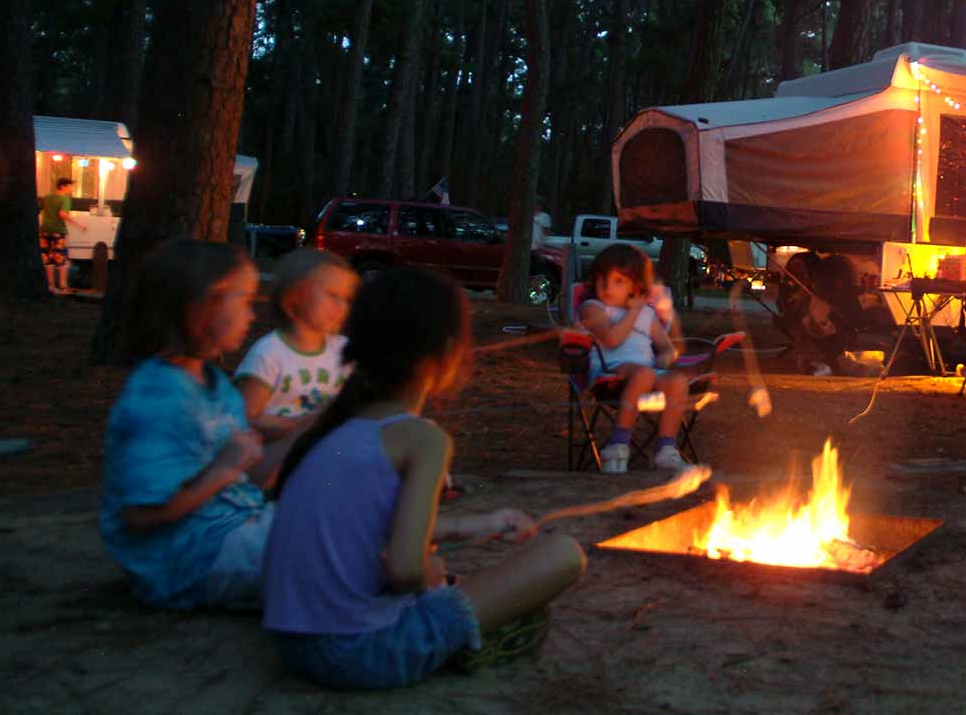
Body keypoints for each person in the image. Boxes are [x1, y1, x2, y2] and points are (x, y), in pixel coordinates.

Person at [262, 268, 585, 689]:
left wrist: (475, 526)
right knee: (563, 553)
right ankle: (466, 643)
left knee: (457, 579)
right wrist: (425, 574)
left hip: (292, 645)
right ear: (449, 353)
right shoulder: (421, 440)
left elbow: (364, 526)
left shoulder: (332, 429)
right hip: (363, 653)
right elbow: (404, 570)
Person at [99, 239, 273, 610]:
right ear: (199, 306)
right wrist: (226, 468)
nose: (252, 316)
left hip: (232, 530)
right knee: (335, 554)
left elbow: (240, 473)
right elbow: (141, 513)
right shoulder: (158, 399)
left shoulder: (214, 383)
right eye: (244, 301)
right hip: (188, 558)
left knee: (341, 525)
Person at [234, 249, 358, 488]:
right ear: (294, 299)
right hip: (274, 460)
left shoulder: (342, 350)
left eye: (346, 299)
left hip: (325, 454)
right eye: (332, 295)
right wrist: (293, 426)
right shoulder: (269, 353)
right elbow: (243, 418)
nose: (342, 306)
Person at [577, 243, 691, 473]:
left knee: (677, 381)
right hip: (608, 374)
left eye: (618, 281)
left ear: (635, 285)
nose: (607, 287)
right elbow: (611, 340)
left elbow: (668, 348)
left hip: (645, 373)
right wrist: (634, 312)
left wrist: (666, 358)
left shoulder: (647, 315)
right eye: (602, 279)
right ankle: (618, 444)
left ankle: (666, 449)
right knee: (644, 374)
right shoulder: (593, 307)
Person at [39, 177, 86, 294]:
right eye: (70, 186)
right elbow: (62, 214)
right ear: (63, 186)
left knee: (48, 258)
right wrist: (79, 224)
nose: (71, 188)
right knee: (61, 259)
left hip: (44, 231)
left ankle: (50, 286)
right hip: (57, 231)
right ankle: (63, 286)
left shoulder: (47, 198)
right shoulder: (65, 199)